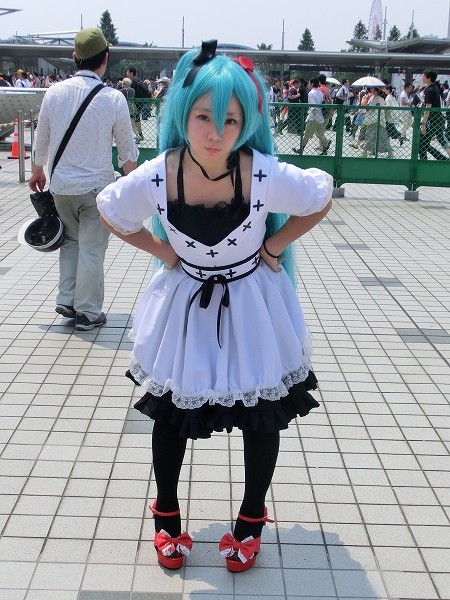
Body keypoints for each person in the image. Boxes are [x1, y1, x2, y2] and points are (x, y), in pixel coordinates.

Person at [96, 40, 332, 573]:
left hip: (253, 304)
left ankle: (251, 520)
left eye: (231, 120)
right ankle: (166, 515)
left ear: (247, 122)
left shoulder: (261, 171)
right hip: (185, 307)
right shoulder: (159, 173)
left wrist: (275, 246)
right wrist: (162, 251)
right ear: (183, 113)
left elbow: (320, 196)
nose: (216, 133)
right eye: (204, 116)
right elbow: (111, 209)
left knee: (261, 415)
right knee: (171, 413)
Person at [29, 28, 138, 331]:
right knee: (92, 248)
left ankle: (67, 299)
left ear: (74, 57)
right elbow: (127, 153)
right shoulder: (113, 98)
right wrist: (134, 186)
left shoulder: (54, 92)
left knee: (71, 242)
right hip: (95, 190)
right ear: (106, 58)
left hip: (61, 187)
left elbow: (42, 137)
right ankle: (88, 311)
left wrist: (37, 170)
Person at [293, 77, 330, 155]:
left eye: (309, 83)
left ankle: (301, 149)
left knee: (307, 134)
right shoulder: (320, 93)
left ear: (312, 84)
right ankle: (325, 146)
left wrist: (315, 117)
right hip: (320, 117)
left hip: (313, 117)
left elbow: (313, 107)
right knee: (320, 134)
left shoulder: (311, 93)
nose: (308, 85)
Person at [419, 69, 450, 161]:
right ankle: (443, 159)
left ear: (429, 78)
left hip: (432, 120)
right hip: (438, 119)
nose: (422, 77)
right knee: (440, 140)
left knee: (422, 143)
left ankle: (424, 162)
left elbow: (428, 108)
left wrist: (423, 124)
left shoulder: (430, 90)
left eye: (423, 76)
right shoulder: (434, 88)